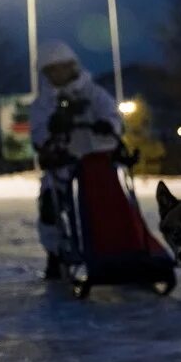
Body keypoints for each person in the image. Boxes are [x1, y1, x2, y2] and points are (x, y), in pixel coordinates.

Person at [30, 40, 123, 279]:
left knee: (102, 207)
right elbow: (38, 132)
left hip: (96, 162)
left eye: (62, 67)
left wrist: (107, 125)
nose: (57, 74)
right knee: (51, 208)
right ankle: (57, 253)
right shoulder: (43, 102)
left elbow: (112, 116)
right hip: (62, 165)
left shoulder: (94, 93)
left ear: (72, 66)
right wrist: (50, 132)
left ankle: (115, 249)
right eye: (51, 70)